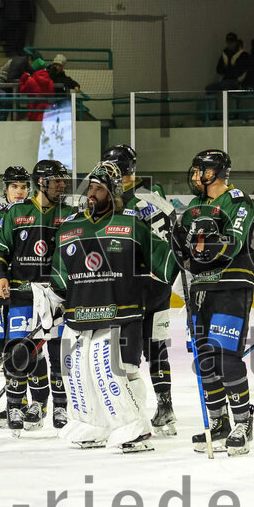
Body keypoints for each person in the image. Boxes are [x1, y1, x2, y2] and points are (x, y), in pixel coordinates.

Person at [50, 161, 177, 453]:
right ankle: (91, 425)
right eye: (90, 188)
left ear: (113, 193)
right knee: (77, 373)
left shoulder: (132, 226)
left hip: (121, 313)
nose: (91, 194)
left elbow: (165, 263)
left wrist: (184, 254)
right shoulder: (70, 228)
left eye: (99, 189)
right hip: (79, 314)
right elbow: (59, 275)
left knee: (114, 372)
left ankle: (134, 428)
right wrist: (51, 303)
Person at [170, 149, 254, 457]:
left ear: (213, 173)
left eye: (199, 171)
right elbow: (185, 250)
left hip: (232, 284)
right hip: (200, 287)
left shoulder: (238, 201)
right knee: (204, 358)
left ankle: (243, 423)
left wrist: (205, 245)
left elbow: (232, 243)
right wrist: (178, 244)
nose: (194, 176)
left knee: (226, 356)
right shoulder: (194, 206)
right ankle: (219, 422)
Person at [0, 159, 76, 433]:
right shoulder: (17, 212)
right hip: (22, 294)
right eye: (56, 180)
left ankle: (59, 405)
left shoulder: (70, 215)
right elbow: (0, 249)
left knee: (58, 354)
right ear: (41, 182)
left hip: (56, 297)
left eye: (63, 180)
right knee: (20, 351)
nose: (62, 185)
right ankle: (16, 405)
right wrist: (0, 275)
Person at [101, 145, 179, 437]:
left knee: (125, 351)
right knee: (157, 347)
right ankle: (165, 407)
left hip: (132, 283)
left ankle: (129, 413)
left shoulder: (123, 200)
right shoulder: (156, 194)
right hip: (161, 284)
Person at [0, 165, 30, 429]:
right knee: (4, 349)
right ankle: (16, 401)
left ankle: (33, 404)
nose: (19, 191)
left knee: (26, 347)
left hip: (25, 291)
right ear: (5, 190)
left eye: (23, 187)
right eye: (14, 186)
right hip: (1, 291)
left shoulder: (32, 214)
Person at [0, 53, 31, 121]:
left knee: (11, 107)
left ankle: (7, 124)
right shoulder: (19, 63)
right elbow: (11, 79)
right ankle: (0, 125)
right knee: (5, 107)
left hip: (6, 85)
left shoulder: (23, 63)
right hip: (0, 83)